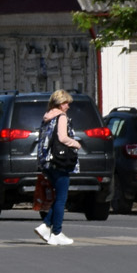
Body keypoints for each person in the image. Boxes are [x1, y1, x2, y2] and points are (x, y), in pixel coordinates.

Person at [35, 91, 82, 246]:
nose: (68, 106)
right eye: (66, 103)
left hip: (48, 162)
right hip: (60, 162)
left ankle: (46, 226)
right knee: (62, 198)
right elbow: (62, 137)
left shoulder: (47, 116)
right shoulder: (61, 117)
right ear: (59, 103)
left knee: (58, 197)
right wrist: (76, 144)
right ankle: (56, 233)